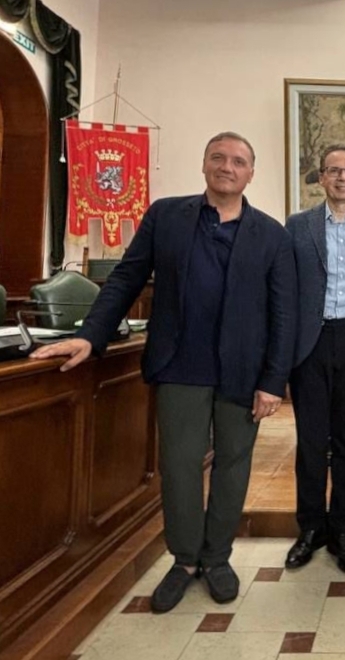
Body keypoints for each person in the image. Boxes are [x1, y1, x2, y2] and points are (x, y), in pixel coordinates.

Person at [30, 132, 297, 612]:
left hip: (243, 371)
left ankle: (217, 558)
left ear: (251, 174)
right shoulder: (166, 216)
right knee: (179, 465)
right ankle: (185, 560)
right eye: (218, 157)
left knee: (234, 466)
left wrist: (273, 381)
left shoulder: (272, 234)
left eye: (238, 161)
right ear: (204, 164)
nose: (227, 167)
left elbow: (284, 313)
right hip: (181, 364)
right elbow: (126, 279)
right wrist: (91, 336)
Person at [284, 145, 345, 573]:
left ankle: (342, 529)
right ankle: (310, 528)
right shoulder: (297, 226)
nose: (343, 178)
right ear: (322, 177)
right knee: (310, 442)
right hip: (310, 343)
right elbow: (284, 289)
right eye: (335, 171)